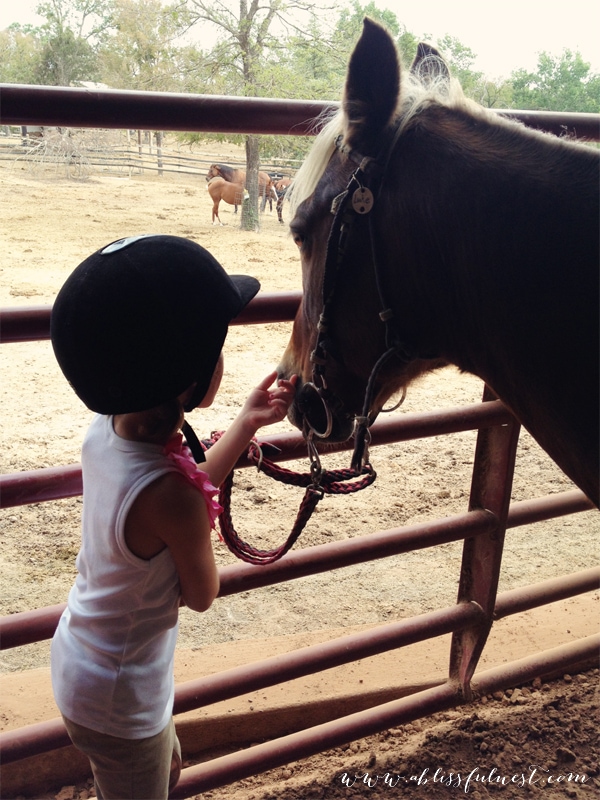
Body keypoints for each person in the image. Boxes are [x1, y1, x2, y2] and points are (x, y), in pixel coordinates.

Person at [49, 234, 296, 800]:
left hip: (86, 659)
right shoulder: (173, 496)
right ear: (188, 375)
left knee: (166, 770)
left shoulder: (106, 432)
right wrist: (198, 520)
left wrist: (245, 424)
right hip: (120, 696)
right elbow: (202, 591)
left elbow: (181, 484)